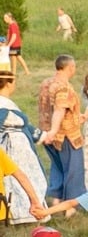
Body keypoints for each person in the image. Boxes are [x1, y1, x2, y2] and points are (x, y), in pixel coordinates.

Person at [0, 73, 45, 223]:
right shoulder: (4, 104)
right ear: (8, 84)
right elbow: (21, 124)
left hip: (13, 143)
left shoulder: (8, 103)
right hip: (13, 144)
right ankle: (21, 213)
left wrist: (42, 135)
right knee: (17, 177)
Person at [39, 56, 86, 201]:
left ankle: (56, 200)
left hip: (46, 132)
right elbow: (59, 110)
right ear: (70, 67)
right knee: (73, 169)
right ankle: (71, 206)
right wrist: (54, 131)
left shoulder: (46, 83)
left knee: (57, 168)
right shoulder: (63, 86)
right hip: (65, 135)